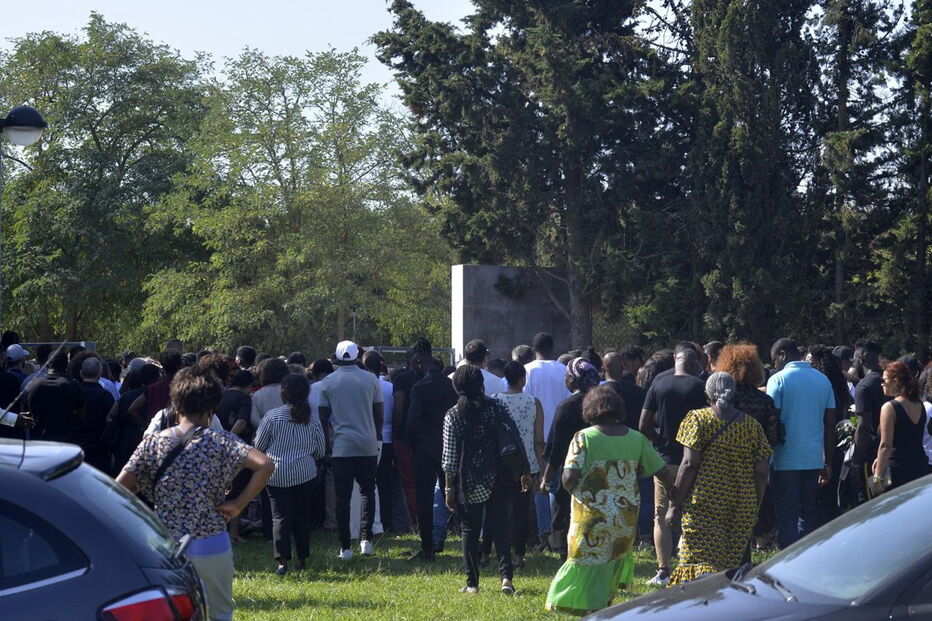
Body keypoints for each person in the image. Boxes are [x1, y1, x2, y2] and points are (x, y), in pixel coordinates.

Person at [117, 365, 274, 621]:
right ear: (212, 409)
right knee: (217, 613)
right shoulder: (223, 442)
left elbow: (119, 489)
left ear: (175, 405)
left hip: (165, 545)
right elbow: (266, 465)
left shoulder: (152, 444)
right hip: (211, 540)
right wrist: (238, 504)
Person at [545, 386, 670, 613]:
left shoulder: (584, 438)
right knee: (611, 559)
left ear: (590, 410)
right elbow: (661, 471)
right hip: (625, 517)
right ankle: (602, 605)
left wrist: (570, 487)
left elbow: (570, 476)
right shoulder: (637, 438)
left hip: (591, 517)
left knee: (582, 558)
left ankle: (572, 603)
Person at [664, 372, 771, 584]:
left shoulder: (697, 419)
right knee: (730, 565)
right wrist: (755, 504)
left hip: (705, 503)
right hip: (742, 503)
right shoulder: (752, 426)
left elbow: (689, 464)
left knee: (697, 561)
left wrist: (674, 504)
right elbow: (761, 472)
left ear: (707, 393)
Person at [442, 365, 530, 595]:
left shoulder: (453, 414)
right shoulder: (497, 407)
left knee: (469, 530)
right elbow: (515, 439)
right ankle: (506, 579)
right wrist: (523, 471)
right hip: (499, 476)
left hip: (469, 479)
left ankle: (472, 584)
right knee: (500, 527)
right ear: (481, 384)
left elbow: (450, 459)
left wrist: (449, 489)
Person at [638, 343, 706, 585]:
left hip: (665, 460)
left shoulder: (658, 384)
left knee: (660, 515)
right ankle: (690, 566)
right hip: (694, 459)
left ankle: (664, 570)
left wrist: (661, 441)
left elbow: (643, 425)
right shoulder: (700, 387)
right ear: (694, 363)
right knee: (692, 513)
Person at [766, 338, 835, 549]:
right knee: (808, 514)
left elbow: (771, 420)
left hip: (784, 459)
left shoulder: (778, 380)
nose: (774, 365)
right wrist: (828, 461)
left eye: (774, 359)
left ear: (783, 354)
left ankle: (788, 561)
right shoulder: (823, 380)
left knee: (787, 516)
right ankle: (808, 557)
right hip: (813, 459)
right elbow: (830, 423)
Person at [254, 374, 325, 574]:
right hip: (305, 473)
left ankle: (282, 561)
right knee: (302, 515)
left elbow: (259, 446)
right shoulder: (312, 418)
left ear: (284, 393)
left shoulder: (272, 416)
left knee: (280, 516)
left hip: (276, 474)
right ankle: (302, 559)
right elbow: (320, 449)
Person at [318, 340, 383, 560]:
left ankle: (345, 546)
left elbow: (323, 418)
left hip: (342, 446)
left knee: (342, 496)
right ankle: (366, 540)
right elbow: (379, 414)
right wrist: (375, 436)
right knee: (367, 492)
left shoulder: (328, 382)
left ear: (336, 357)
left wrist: (327, 446)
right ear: (357, 355)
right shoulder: (370, 379)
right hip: (367, 444)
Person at [540, 358, 602, 560]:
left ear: (573, 379)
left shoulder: (566, 407)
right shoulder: (603, 404)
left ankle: (563, 549)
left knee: (563, 507)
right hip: (598, 469)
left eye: (567, 376)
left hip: (570, 469)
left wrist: (546, 477)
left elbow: (555, 447)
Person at [485, 361, 544, 568]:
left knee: (495, 509)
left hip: (500, 462)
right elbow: (538, 439)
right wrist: (540, 467)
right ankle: (519, 555)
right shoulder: (534, 403)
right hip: (525, 465)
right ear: (522, 379)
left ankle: (485, 552)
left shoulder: (494, 401)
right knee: (521, 512)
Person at [405, 354, 459, 560]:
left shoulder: (419, 387)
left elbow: (411, 422)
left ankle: (427, 546)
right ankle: (469, 541)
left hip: (424, 449)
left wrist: (413, 443)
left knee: (424, 499)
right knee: (457, 495)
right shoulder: (450, 386)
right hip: (448, 445)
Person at [524, 332, 571, 550]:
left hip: (537, 436)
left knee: (539, 486)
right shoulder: (564, 370)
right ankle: (557, 533)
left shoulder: (528, 371)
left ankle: (544, 535)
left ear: (534, 349)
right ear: (553, 348)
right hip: (562, 433)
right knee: (557, 487)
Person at [602, 351, 652, 545]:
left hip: (609, 450)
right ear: (622, 367)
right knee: (644, 493)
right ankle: (646, 536)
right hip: (637, 446)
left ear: (603, 368)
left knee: (614, 494)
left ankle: (617, 533)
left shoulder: (597, 395)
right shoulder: (639, 393)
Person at [391, 338, 433, 533]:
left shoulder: (402, 379)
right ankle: (431, 520)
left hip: (407, 436)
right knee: (432, 482)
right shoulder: (436, 377)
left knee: (409, 482)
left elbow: (399, 408)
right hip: (431, 436)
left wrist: (395, 432)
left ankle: (416, 521)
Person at [871, 361, 927, 492]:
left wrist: (877, 477)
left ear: (895, 381)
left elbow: (886, 445)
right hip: (920, 465)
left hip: (898, 470)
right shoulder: (920, 405)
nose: (882, 384)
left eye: (884, 380)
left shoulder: (889, 408)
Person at [108, 363, 161, 475]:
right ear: (157, 378)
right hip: (146, 443)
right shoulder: (155, 395)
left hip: (124, 442)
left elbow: (111, 415)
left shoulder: (125, 396)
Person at [850, 340, 886, 504]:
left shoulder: (864, 387)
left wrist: (855, 462)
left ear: (861, 358)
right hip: (894, 452)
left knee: (872, 503)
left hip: (872, 456)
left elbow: (864, 427)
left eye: (854, 359)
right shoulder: (891, 381)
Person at [27, 350, 84, 443]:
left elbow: (25, 414)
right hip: (65, 442)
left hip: (39, 442)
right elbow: (81, 415)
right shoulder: (73, 386)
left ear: (46, 365)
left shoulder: (32, 386)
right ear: (67, 366)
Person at [76, 357, 115, 472]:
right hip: (99, 449)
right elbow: (112, 420)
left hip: (75, 446)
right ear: (99, 373)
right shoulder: (106, 396)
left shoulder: (73, 392)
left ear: (81, 373)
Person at [250, 357, 289, 430]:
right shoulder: (290, 391)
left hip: (264, 435)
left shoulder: (257, 395)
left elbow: (254, 419)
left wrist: (268, 429)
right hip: (288, 433)